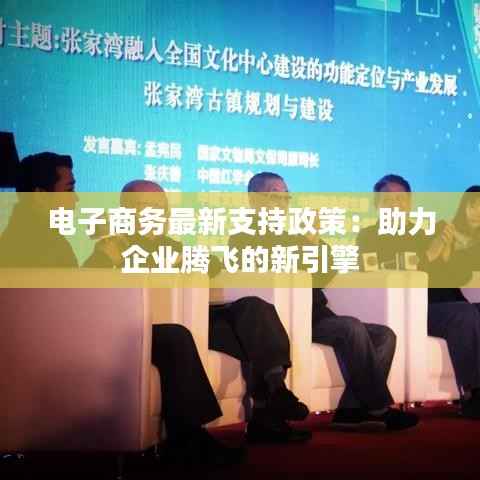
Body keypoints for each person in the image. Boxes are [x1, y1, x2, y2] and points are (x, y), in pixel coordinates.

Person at [0, 154, 244, 466]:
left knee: (189, 332)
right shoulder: (44, 240)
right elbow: (68, 298)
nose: (76, 199)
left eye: (163, 208)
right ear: (39, 195)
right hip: (69, 335)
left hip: (86, 325)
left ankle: (191, 435)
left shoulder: (46, 235)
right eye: (69, 189)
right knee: (174, 337)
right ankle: (188, 438)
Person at [84, 180, 312, 444]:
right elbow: (89, 289)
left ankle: (276, 389)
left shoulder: (172, 245)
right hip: (155, 323)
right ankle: (266, 415)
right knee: (251, 337)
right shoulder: (112, 247)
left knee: (255, 309)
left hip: (196, 319)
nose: (159, 213)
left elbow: (214, 267)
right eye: (148, 207)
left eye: (162, 207)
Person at [229, 171, 418, 431]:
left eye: (286, 196)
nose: (282, 203)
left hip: (318, 316)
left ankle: (350, 411)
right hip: (283, 321)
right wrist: (304, 246)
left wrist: (314, 242)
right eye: (274, 196)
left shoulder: (295, 236)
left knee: (384, 335)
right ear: (254, 200)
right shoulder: (241, 239)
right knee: (351, 327)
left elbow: (326, 271)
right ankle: (378, 408)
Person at [357, 174, 480, 419]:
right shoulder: (369, 236)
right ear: (376, 203)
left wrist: (448, 254)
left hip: (446, 304)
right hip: (412, 311)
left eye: (401, 198)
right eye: (388, 198)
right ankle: (473, 394)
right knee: (464, 314)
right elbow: (379, 272)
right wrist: (429, 256)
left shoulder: (424, 234)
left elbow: (455, 275)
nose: (396, 204)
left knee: (469, 310)